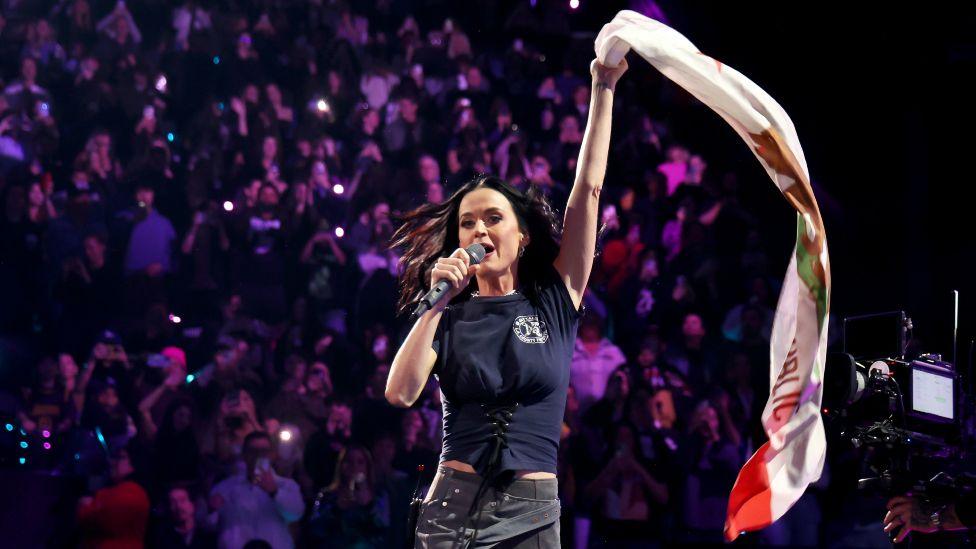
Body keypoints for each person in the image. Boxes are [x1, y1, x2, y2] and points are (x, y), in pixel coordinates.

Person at [386, 57, 628, 548]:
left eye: (493, 218)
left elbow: (588, 192)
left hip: (531, 513)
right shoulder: (446, 313)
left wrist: (602, 88)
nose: (479, 230)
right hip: (449, 509)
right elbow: (400, 393)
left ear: (521, 238)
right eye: (469, 222)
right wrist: (435, 304)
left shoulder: (556, 301)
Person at [208, 431, 305, 549]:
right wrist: (211, 510)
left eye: (264, 451)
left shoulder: (286, 485)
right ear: (244, 454)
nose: (258, 455)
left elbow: (295, 514)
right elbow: (209, 525)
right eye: (253, 451)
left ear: (272, 455)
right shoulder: (225, 487)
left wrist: (274, 492)